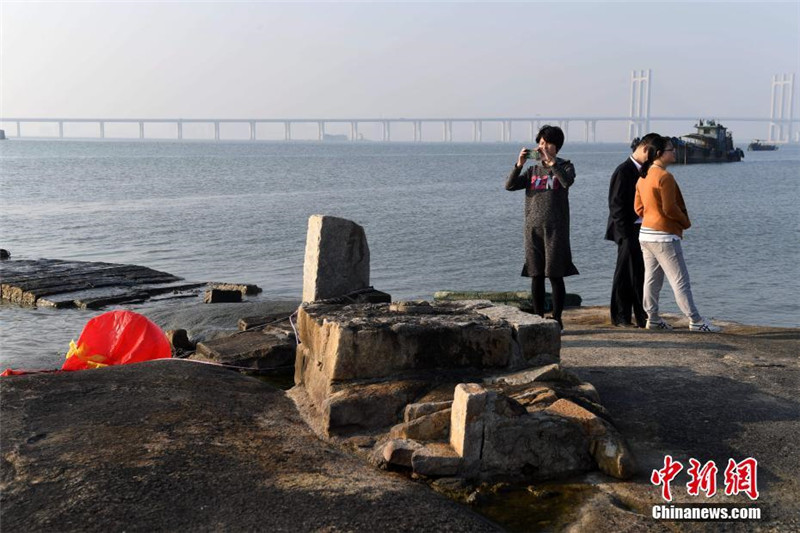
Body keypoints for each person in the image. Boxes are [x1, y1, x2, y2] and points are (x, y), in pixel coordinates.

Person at [634, 135, 721, 332]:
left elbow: (638, 208)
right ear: (659, 154)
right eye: (670, 150)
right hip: (664, 236)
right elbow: (670, 208)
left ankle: (653, 318)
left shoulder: (643, 177)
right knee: (680, 280)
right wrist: (684, 221)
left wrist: (651, 216)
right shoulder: (665, 177)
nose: (674, 152)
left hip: (646, 234)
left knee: (651, 279)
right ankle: (696, 320)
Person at [505, 125, 579, 332]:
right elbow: (509, 186)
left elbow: (566, 182)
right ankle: (538, 317)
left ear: (557, 147)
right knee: (536, 274)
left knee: (555, 274)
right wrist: (519, 164)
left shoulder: (566, 166)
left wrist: (552, 163)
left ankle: (557, 318)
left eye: (547, 144)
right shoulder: (532, 170)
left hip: (556, 228)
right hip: (532, 228)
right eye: (540, 143)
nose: (542, 147)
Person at [605, 133, 659, 328]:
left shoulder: (645, 170)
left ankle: (641, 315)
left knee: (640, 274)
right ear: (645, 149)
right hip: (626, 231)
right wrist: (625, 234)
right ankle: (620, 317)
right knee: (624, 275)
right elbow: (616, 205)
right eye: (653, 153)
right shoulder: (624, 170)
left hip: (641, 229)